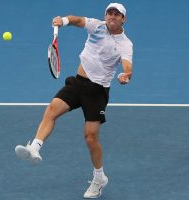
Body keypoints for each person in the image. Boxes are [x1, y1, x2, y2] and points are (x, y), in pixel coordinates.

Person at [15, 2, 133, 198]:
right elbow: (78, 20)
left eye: (116, 14)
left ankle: (99, 178)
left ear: (123, 19)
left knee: (90, 137)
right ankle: (35, 147)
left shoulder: (125, 43)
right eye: (109, 13)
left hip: (97, 91)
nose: (112, 16)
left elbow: (127, 66)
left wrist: (125, 75)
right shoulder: (96, 25)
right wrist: (64, 21)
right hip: (78, 83)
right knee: (52, 109)